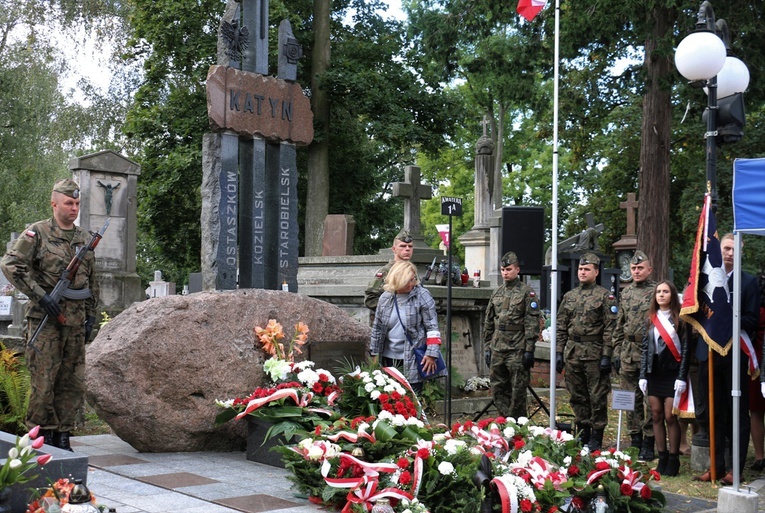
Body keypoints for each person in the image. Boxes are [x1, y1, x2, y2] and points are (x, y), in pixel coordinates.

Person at [0, 178, 99, 451]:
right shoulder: (37, 233)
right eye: (69, 203)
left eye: (77, 203)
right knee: (44, 381)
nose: (74, 208)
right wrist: (40, 296)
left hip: (76, 321)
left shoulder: (84, 238)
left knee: (72, 381)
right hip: (45, 321)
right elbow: (10, 264)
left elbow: (91, 281)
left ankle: (64, 435)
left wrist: (91, 315)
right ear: (54, 203)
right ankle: (41, 434)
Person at [694, 233, 759, 485]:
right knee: (712, 412)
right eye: (726, 248)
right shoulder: (706, 280)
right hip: (708, 353)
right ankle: (716, 466)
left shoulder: (748, 282)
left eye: (734, 249)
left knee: (737, 415)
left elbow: (752, 321)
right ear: (718, 251)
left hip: (735, 354)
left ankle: (735, 468)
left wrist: (725, 321)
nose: (730, 253)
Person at [555, 252, 618, 451]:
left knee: (597, 397)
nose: (582, 272)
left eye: (587, 269)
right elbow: (561, 325)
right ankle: (583, 434)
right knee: (577, 395)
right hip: (573, 352)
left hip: (595, 353)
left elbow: (611, 328)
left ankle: (596, 437)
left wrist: (607, 355)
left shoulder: (605, 296)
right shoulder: (570, 296)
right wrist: (558, 352)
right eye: (581, 269)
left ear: (596, 272)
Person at [638, 280, 690, 476]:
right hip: (654, 373)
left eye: (665, 291)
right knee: (657, 415)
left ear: (672, 295)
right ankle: (663, 457)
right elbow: (645, 348)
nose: (661, 295)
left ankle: (674, 458)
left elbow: (685, 350)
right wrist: (643, 375)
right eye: (658, 292)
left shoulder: (681, 320)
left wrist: (682, 376)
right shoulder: (650, 319)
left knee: (670, 416)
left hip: (673, 374)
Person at [369, 261, 445, 392]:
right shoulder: (385, 298)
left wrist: (432, 353)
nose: (412, 283)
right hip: (388, 358)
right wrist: (374, 354)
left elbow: (432, 327)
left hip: (413, 358)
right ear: (397, 280)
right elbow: (377, 329)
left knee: (412, 398)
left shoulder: (422, 295)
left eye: (413, 279)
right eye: (407, 281)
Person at [484, 251, 541, 419]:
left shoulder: (526, 293)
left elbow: (532, 323)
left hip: (517, 348)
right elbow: (488, 322)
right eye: (502, 269)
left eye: (508, 269)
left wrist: (529, 350)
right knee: (497, 387)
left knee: (518, 389)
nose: (505, 273)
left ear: (517, 270)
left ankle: (516, 424)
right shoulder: (497, 292)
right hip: (498, 347)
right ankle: (505, 420)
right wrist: (488, 347)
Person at [612, 250, 656, 461]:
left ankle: (650, 441)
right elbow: (619, 324)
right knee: (630, 400)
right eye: (633, 269)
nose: (637, 272)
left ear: (649, 269)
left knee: (649, 401)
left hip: (650, 353)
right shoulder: (626, 293)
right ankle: (635, 439)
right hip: (628, 352)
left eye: (640, 268)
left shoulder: (658, 291)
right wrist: (616, 350)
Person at [364, 230, 414, 322]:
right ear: (394, 249)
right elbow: (370, 299)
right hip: (389, 323)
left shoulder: (412, 271)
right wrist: (391, 310)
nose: (407, 249)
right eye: (402, 246)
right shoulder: (386, 271)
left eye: (410, 246)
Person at [752, 272, 765, 471]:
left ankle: (760, 456)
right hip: (755, 355)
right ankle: (759, 455)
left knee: (756, 409)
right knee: (756, 408)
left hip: (755, 353)